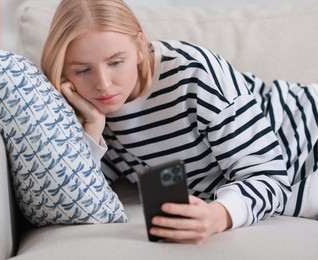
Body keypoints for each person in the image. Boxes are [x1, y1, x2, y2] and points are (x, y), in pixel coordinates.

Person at [40, 0, 318, 244]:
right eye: (83, 70)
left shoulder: (193, 74)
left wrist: (218, 215)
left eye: (115, 62)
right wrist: (92, 130)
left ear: (138, 48)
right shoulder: (89, 112)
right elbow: (74, 201)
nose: (103, 84)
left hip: (308, 135)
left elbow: (267, 175)